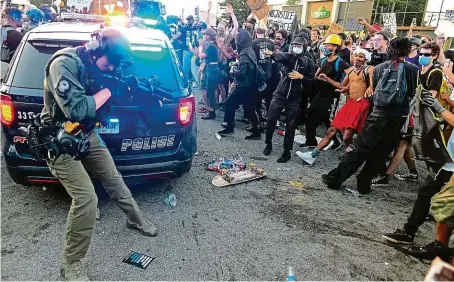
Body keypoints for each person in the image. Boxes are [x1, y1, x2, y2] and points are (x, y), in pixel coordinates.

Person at [40, 29, 158, 280]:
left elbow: (106, 101)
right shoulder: (64, 64)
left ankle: (135, 219)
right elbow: (77, 109)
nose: (112, 69)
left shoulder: (103, 68)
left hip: (86, 134)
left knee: (113, 178)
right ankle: (71, 263)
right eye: (110, 64)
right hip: (58, 138)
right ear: (96, 53)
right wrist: (108, 91)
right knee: (86, 199)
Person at [322, 37, 419, 195]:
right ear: (408, 51)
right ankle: (364, 183)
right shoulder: (413, 70)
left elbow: (373, 91)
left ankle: (335, 179)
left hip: (377, 114)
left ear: (390, 49)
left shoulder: (380, 68)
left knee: (359, 148)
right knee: (381, 153)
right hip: (397, 117)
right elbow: (412, 93)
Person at [372, 42, 443, 187]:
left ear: (434, 56)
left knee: (402, 144)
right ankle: (413, 172)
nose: (423, 56)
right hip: (411, 112)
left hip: (419, 114)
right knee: (406, 145)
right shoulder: (419, 69)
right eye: (421, 53)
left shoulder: (435, 73)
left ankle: (385, 176)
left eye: (427, 54)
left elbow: (431, 96)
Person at [297, 48, 373, 165]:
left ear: (366, 59)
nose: (357, 58)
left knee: (347, 135)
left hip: (362, 104)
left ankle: (351, 152)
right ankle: (312, 156)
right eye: (356, 55)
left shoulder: (369, 69)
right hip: (350, 104)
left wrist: (370, 88)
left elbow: (373, 85)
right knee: (331, 130)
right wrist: (328, 79)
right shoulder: (351, 71)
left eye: (361, 56)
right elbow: (342, 85)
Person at [402, 95, 454, 262]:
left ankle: (440, 250)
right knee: (438, 200)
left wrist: (441, 109)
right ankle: (438, 248)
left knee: (442, 201)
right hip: (449, 158)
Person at [263, 36, 315, 163]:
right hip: (279, 94)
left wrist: (301, 76)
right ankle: (268, 144)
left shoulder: (309, 62)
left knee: (291, 126)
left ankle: (286, 152)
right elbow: (279, 56)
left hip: (294, 98)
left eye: (299, 45)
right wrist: (271, 53)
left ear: (304, 47)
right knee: (270, 120)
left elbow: (312, 80)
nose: (296, 48)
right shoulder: (288, 56)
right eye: (295, 45)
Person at [302, 34, 349, 149]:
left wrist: (328, 79)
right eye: (325, 45)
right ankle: (311, 141)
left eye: (328, 45)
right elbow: (316, 75)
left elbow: (348, 80)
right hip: (320, 94)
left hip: (331, 96)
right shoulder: (323, 60)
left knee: (325, 118)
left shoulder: (340, 63)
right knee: (312, 115)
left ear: (335, 47)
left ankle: (337, 141)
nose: (326, 47)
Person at [218, 29, 260, 140]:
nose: (236, 39)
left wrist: (232, 72)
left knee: (228, 103)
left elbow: (242, 72)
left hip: (244, 85)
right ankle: (256, 131)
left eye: (237, 37)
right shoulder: (249, 49)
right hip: (250, 85)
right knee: (249, 109)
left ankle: (229, 128)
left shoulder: (245, 53)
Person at [252, 27, 275, 121]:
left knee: (257, 96)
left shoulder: (253, 42)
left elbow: (252, 57)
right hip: (268, 71)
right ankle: (269, 116)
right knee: (268, 96)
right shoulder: (271, 42)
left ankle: (259, 116)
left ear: (256, 32)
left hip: (258, 72)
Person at [198, 28, 219, 120]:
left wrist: (201, 46)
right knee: (210, 90)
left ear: (209, 36)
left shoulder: (211, 46)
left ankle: (212, 111)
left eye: (205, 34)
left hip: (212, 69)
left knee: (210, 91)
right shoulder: (212, 45)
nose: (204, 36)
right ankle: (211, 110)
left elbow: (201, 56)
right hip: (210, 68)